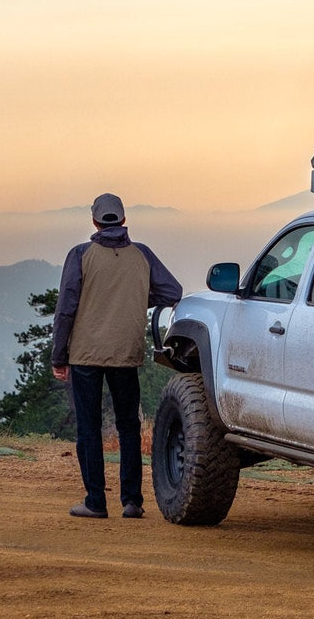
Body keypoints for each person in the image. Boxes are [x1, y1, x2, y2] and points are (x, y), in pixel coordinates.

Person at [52, 192, 183, 519]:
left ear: (95, 221)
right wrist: (136, 298)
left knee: (88, 428)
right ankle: (132, 502)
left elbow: (66, 309)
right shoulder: (142, 255)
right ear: (123, 220)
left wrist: (59, 355)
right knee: (128, 427)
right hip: (126, 353)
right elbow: (173, 292)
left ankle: (95, 501)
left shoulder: (80, 254)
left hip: (84, 354)